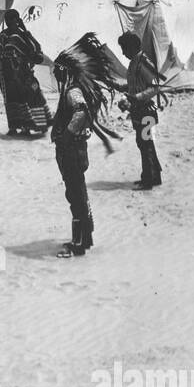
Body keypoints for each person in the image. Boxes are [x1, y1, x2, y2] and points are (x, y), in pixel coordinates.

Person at [50, 34, 117, 258]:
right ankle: (85, 236)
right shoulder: (74, 89)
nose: (55, 74)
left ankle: (79, 243)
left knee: (75, 195)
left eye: (58, 70)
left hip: (71, 151)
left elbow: (81, 112)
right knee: (79, 193)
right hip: (76, 151)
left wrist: (66, 135)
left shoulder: (72, 92)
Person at [118, 31, 165, 189]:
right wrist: (121, 87)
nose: (123, 53)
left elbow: (155, 87)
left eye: (124, 49)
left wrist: (136, 97)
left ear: (131, 48)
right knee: (144, 143)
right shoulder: (135, 62)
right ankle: (152, 176)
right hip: (140, 112)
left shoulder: (143, 62)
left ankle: (149, 180)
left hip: (146, 112)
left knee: (145, 144)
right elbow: (136, 85)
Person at [0, 8, 51, 136]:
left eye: (13, 19)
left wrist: (24, 30)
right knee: (10, 98)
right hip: (6, 72)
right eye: (8, 20)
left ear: (17, 20)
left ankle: (32, 126)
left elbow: (35, 49)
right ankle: (15, 126)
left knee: (28, 96)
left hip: (22, 72)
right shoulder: (4, 35)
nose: (10, 22)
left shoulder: (23, 34)